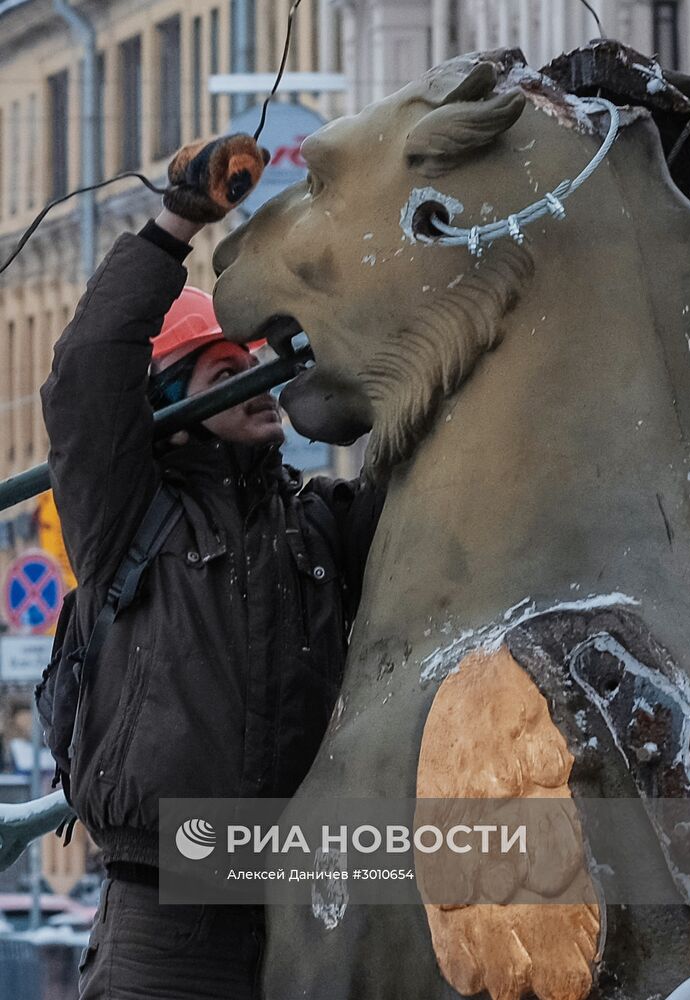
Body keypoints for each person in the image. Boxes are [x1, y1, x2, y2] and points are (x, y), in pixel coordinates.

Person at [40, 189, 383, 998]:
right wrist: (175, 226)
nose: (258, 386)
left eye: (256, 366)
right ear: (171, 409)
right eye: (228, 374)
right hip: (169, 915)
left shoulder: (313, 522)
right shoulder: (126, 514)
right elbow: (89, 371)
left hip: (305, 896)